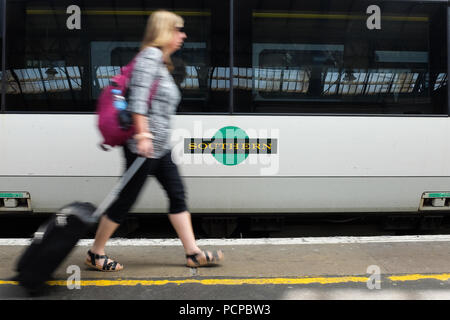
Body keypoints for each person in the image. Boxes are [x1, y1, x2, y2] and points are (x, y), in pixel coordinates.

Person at [85, 10, 224, 271]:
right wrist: (143, 135)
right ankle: (96, 252)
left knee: (177, 194)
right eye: (178, 30)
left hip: (160, 148)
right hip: (144, 147)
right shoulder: (149, 58)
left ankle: (192, 252)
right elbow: (137, 100)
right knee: (125, 199)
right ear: (164, 31)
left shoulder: (160, 62)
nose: (183, 36)